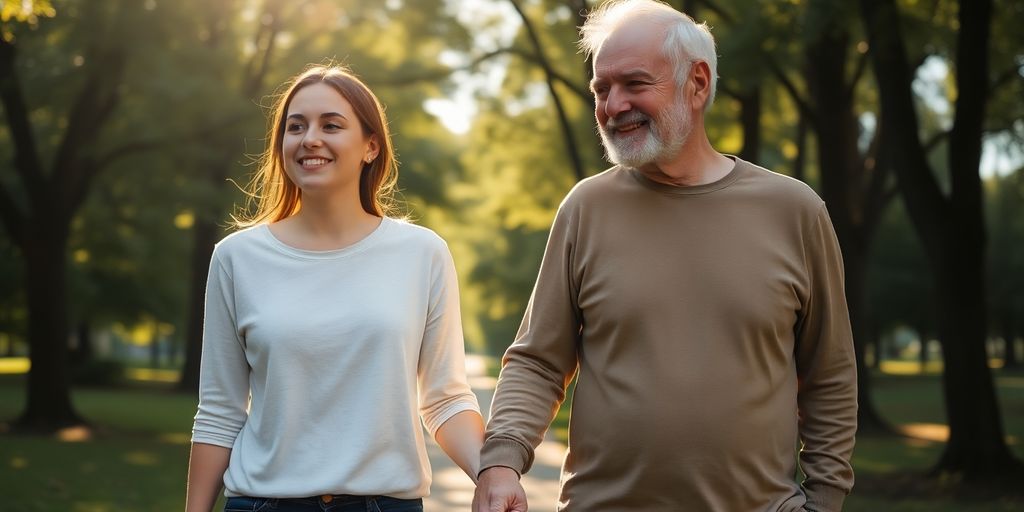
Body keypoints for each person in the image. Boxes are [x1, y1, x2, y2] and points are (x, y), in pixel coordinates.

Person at [473, 0, 857, 511]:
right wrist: (501, 461)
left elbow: (829, 374)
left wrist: (825, 502)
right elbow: (539, 361)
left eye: (634, 84)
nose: (612, 106)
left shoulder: (795, 210)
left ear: (697, 83)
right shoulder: (586, 208)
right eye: (601, 90)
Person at [185, 64, 484, 512]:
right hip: (264, 503)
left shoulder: (422, 253)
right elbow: (219, 411)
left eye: (332, 125)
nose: (310, 139)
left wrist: (493, 476)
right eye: (296, 126)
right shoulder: (237, 258)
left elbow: (444, 398)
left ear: (370, 146)